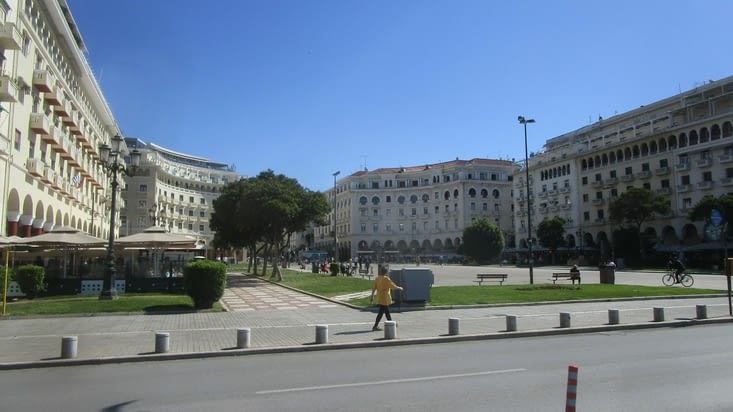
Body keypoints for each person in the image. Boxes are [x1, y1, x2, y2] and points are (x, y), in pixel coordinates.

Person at [370, 266, 404, 331]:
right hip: (385, 297)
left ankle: (376, 326)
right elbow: (392, 285)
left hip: (380, 297)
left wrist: (372, 296)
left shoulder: (377, 278)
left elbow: (374, 288)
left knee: (383, 312)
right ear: (386, 272)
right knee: (385, 312)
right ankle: (391, 324)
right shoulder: (386, 279)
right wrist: (399, 288)